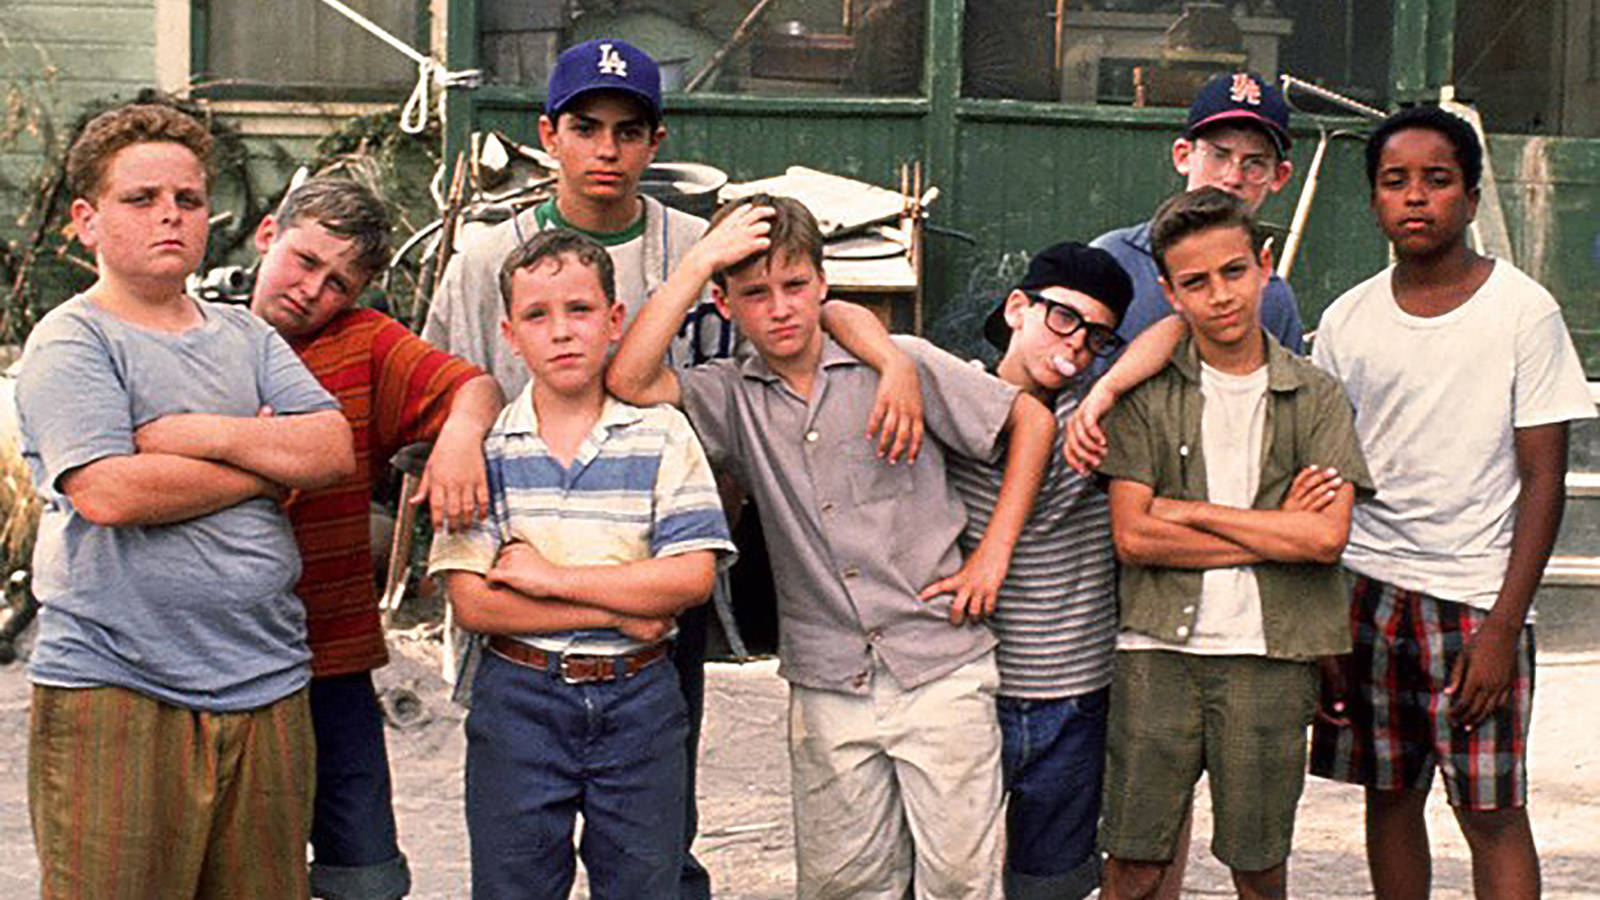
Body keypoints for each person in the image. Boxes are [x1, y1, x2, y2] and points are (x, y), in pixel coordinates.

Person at [607, 193, 1057, 900]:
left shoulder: (896, 363)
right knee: (844, 885)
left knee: (960, 880)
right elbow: (628, 381)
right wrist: (700, 261)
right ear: (726, 306)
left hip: (941, 664)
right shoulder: (732, 396)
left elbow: (1029, 420)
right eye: (755, 294)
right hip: (828, 682)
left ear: (822, 284)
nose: (780, 308)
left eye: (795, 286)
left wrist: (994, 552)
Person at [17, 102, 355, 899]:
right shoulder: (73, 341)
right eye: (141, 199)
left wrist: (189, 434)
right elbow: (108, 490)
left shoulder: (248, 336)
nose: (170, 214)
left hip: (267, 681)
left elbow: (330, 449)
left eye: (189, 199)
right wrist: (265, 463)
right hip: (118, 686)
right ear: (87, 221)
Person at [423, 42, 731, 897]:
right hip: (528, 592)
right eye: (584, 127)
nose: (606, 149)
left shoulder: (700, 249)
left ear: (656, 140)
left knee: (657, 845)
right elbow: (448, 378)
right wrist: (461, 426)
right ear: (547, 135)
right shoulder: (490, 256)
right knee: (522, 854)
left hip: (657, 564)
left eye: (627, 130)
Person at [1308, 105, 1594, 900]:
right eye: (1395, 182)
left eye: (1437, 181)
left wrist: (1504, 626)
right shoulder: (1347, 321)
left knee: (1492, 812)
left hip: (1475, 602)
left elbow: (1544, 476)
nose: (1416, 198)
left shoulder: (1522, 312)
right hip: (1366, 591)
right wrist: (1327, 618)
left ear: (1469, 198)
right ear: (1372, 202)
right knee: (1389, 796)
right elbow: (1327, 474)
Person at [1093, 187, 1372, 900]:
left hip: (1269, 653)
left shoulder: (1317, 395)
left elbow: (1325, 538)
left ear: (1265, 265)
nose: (1219, 296)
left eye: (1234, 272)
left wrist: (1186, 512)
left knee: (1258, 861)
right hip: (1158, 648)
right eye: (1195, 282)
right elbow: (1133, 536)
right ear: (1169, 291)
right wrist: (1273, 531)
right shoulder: (1147, 395)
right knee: (1133, 858)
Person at [249, 175, 504, 900]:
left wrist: (458, 436)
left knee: (363, 872)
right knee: (245, 865)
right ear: (268, 235)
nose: (311, 291)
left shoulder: (361, 343)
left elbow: (473, 387)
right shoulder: (198, 333)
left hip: (331, 652)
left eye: (337, 283)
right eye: (303, 261)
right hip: (221, 660)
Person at [1090, 71, 1304, 373]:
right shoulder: (1112, 259)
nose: (1232, 178)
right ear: (1183, 156)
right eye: (1218, 155)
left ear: (1279, 176)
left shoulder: (1273, 297)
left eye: (1254, 163)